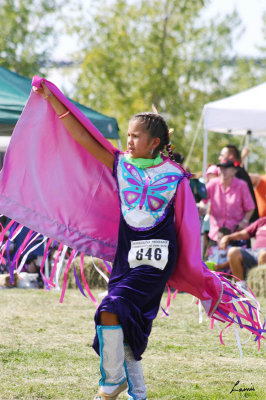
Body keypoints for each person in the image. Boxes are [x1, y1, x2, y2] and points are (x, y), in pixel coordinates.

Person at [16, 80, 263, 400]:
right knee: (125, 327)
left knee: (110, 308)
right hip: (126, 259)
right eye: (128, 135)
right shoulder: (122, 165)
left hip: (156, 260)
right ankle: (138, 393)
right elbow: (84, 137)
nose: (129, 141)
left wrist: (192, 268)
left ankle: (111, 381)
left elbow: (187, 224)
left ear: (154, 142)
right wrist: (52, 99)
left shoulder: (175, 176)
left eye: (136, 136)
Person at [205, 160, 255, 245]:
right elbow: (201, 198)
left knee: (235, 257)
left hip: (236, 234)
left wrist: (244, 221)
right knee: (213, 258)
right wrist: (202, 207)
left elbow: (250, 207)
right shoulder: (213, 184)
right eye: (221, 168)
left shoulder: (241, 185)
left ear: (233, 171)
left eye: (226, 168)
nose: (223, 171)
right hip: (216, 234)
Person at [220, 217, 266, 288]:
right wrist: (228, 237)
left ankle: (260, 287)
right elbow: (244, 233)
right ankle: (241, 285)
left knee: (264, 254)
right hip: (255, 253)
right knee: (233, 251)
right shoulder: (262, 221)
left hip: (263, 253)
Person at [218, 145, 259, 223]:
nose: (219, 158)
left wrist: (244, 221)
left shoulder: (237, 174)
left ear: (230, 156)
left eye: (222, 155)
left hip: (244, 224)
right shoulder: (239, 171)